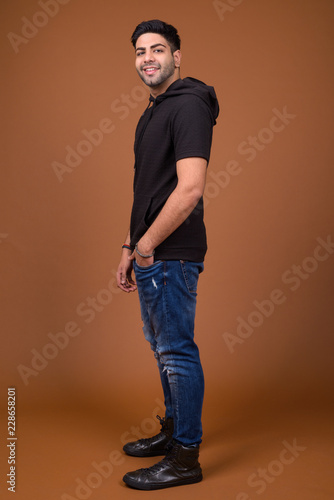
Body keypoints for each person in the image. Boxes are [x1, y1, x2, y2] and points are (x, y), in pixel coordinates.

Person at [116, 19, 219, 490]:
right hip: (150, 250)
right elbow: (148, 190)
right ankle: (173, 432)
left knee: (176, 352)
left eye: (158, 49)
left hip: (170, 251)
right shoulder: (152, 113)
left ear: (177, 57)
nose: (148, 58)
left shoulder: (190, 105)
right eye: (141, 51)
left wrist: (147, 245)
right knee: (163, 350)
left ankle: (185, 458)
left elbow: (190, 188)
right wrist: (127, 246)